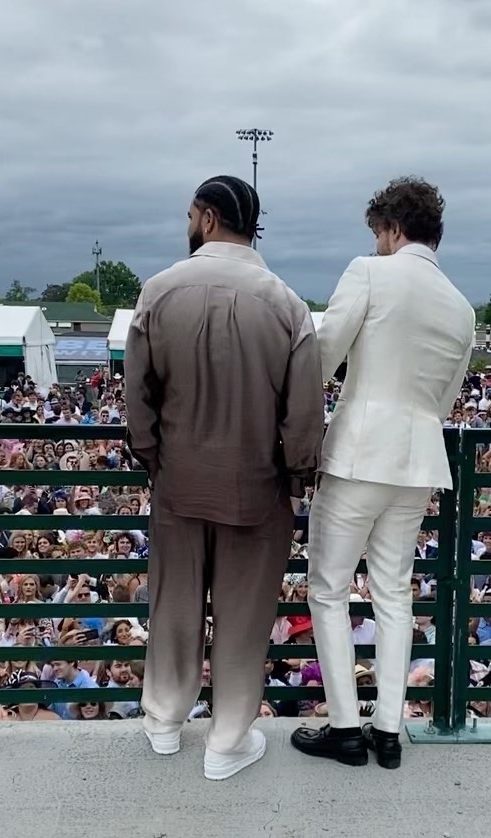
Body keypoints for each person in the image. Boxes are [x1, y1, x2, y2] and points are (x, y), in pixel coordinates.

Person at [125, 175, 323, 780]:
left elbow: (138, 397)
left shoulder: (157, 292)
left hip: (179, 480)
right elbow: (305, 412)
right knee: (243, 618)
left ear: (208, 218)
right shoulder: (288, 304)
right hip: (257, 486)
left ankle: (163, 722)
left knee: (174, 606)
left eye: (190, 214)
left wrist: (155, 456)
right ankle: (226, 741)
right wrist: (295, 474)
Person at [291, 176, 475, 769]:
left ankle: (345, 726)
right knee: (395, 594)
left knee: (328, 589)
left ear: (393, 228)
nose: (374, 243)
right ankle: (389, 730)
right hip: (418, 459)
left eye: (377, 232)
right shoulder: (462, 306)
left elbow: (321, 357)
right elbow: (444, 400)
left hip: (358, 454)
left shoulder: (369, 273)